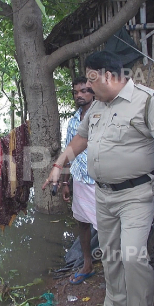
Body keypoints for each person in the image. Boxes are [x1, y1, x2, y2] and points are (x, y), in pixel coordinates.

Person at [43, 51, 154, 306]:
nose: (87, 89)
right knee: (112, 254)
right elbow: (80, 139)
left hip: (137, 194)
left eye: (91, 80)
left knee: (133, 257)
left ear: (107, 76)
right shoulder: (98, 107)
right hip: (104, 194)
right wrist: (58, 165)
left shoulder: (148, 100)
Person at [62, 76, 98, 284]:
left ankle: (116, 271)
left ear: (93, 92)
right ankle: (87, 264)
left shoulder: (103, 115)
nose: (79, 96)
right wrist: (66, 182)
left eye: (84, 91)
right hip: (81, 180)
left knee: (107, 227)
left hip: (101, 182)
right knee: (83, 222)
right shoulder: (74, 120)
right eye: (76, 92)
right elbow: (69, 152)